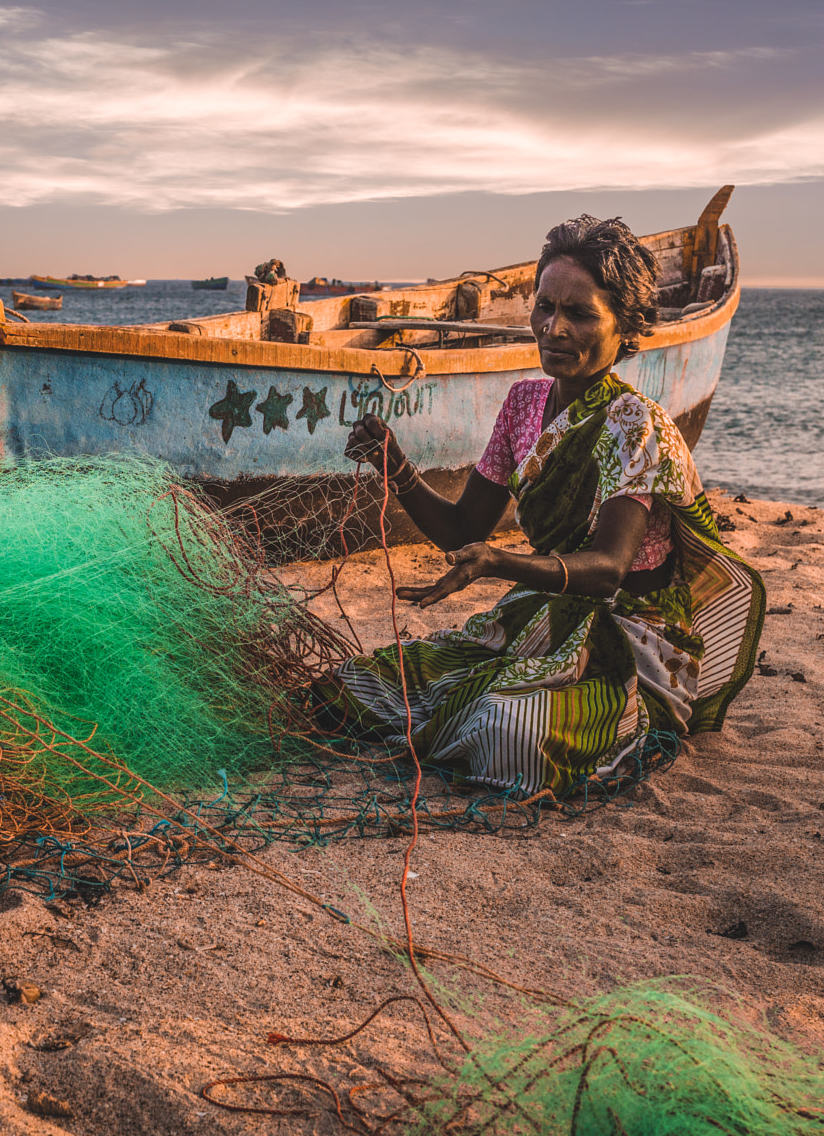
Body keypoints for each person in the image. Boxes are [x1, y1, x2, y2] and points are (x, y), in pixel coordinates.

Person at [319, 214, 765, 797]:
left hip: (629, 641)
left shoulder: (637, 424)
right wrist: (394, 465)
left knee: (506, 730)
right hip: (542, 614)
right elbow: (462, 530)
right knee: (360, 686)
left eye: (580, 314)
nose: (553, 328)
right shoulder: (524, 405)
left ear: (625, 328)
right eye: (544, 307)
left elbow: (608, 568)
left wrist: (501, 565)